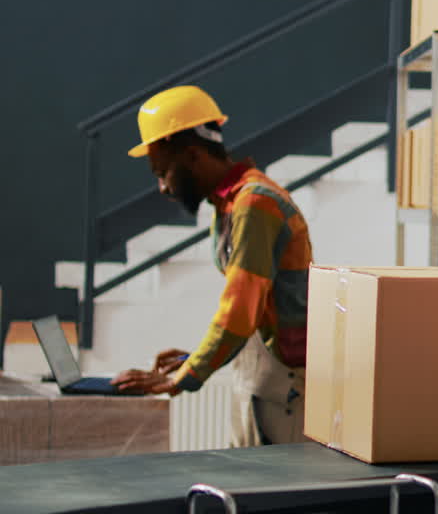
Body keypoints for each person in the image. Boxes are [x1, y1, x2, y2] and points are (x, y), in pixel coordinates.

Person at [111, 85, 313, 447]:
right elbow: (259, 308)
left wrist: (186, 375)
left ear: (191, 155)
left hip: (283, 387)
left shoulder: (255, 204)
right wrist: (195, 356)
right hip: (261, 377)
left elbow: (241, 306)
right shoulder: (231, 204)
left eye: (163, 172)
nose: (161, 187)